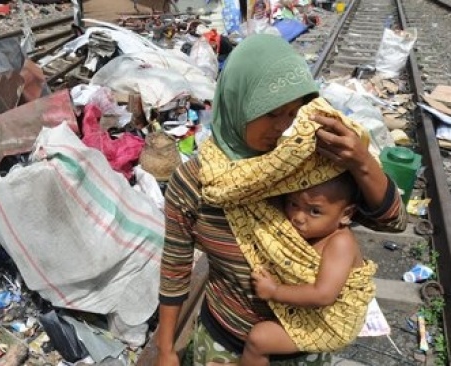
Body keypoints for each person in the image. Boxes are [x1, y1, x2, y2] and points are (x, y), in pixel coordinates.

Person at [155, 34, 407, 366]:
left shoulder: (306, 164)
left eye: (293, 113)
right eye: (272, 113)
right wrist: (165, 349)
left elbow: (392, 221)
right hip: (223, 344)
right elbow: (175, 266)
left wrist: (361, 162)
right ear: (238, 103)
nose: (284, 127)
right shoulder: (193, 182)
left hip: (300, 346)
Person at [241, 172, 374, 366]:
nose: (298, 217)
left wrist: (274, 291)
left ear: (346, 215)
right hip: (315, 312)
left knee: (259, 339)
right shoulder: (310, 232)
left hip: (331, 325)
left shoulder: (340, 242)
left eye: (315, 211)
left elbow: (323, 295)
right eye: (293, 204)